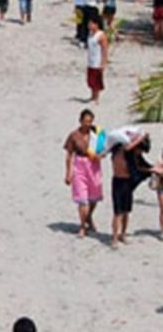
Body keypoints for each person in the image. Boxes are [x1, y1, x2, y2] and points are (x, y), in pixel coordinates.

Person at [64, 109, 103, 237]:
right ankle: (82, 225)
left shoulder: (97, 133)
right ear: (80, 121)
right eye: (85, 121)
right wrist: (68, 173)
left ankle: (89, 216)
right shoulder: (74, 135)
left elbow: (104, 148)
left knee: (94, 196)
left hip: (94, 165)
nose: (87, 124)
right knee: (82, 198)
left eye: (90, 121)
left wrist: (101, 155)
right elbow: (69, 154)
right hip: (80, 164)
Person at [110, 130, 149, 245]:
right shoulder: (120, 149)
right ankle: (115, 238)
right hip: (118, 181)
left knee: (126, 211)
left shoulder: (132, 155)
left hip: (127, 182)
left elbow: (143, 167)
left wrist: (154, 169)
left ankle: (123, 234)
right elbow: (128, 147)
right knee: (117, 212)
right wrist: (141, 136)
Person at [86, 17, 108, 104]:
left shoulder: (101, 35)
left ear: (96, 24)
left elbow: (105, 49)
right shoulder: (90, 34)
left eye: (91, 24)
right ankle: (92, 96)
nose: (89, 25)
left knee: (97, 81)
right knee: (90, 80)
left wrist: (103, 63)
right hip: (90, 61)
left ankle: (97, 98)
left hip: (97, 61)